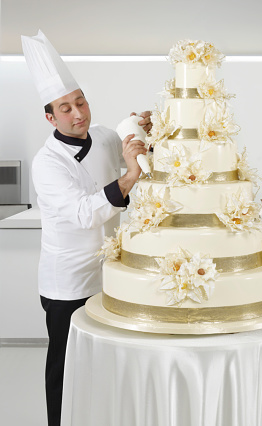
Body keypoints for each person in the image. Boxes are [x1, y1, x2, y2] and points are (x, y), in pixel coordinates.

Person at [21, 30, 151, 426]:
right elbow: (83, 213)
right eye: (65, 108)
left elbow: (134, 160)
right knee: (65, 364)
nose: (78, 113)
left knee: (105, 361)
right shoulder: (47, 163)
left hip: (108, 275)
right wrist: (129, 176)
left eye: (81, 102)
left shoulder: (105, 137)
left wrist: (144, 133)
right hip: (68, 282)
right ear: (50, 117)